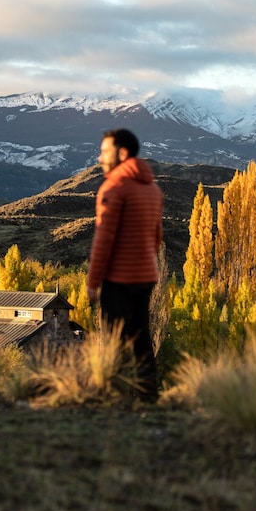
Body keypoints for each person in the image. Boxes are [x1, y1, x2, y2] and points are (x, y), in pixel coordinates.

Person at [86, 128, 164, 402]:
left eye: (105, 151)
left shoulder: (114, 188)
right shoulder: (152, 189)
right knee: (141, 338)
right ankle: (147, 396)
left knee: (115, 342)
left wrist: (93, 282)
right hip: (145, 275)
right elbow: (156, 238)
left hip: (119, 278)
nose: (99, 158)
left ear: (122, 153)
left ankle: (114, 396)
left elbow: (103, 240)